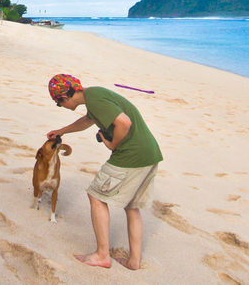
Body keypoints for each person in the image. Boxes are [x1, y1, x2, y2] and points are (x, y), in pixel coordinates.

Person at [46, 74, 163, 270]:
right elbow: (86, 121)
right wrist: (61, 131)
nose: (61, 107)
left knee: (96, 196)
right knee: (131, 206)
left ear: (64, 97)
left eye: (58, 104)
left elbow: (124, 123)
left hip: (130, 155)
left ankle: (102, 255)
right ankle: (134, 261)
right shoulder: (94, 96)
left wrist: (112, 144)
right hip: (149, 153)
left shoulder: (95, 98)